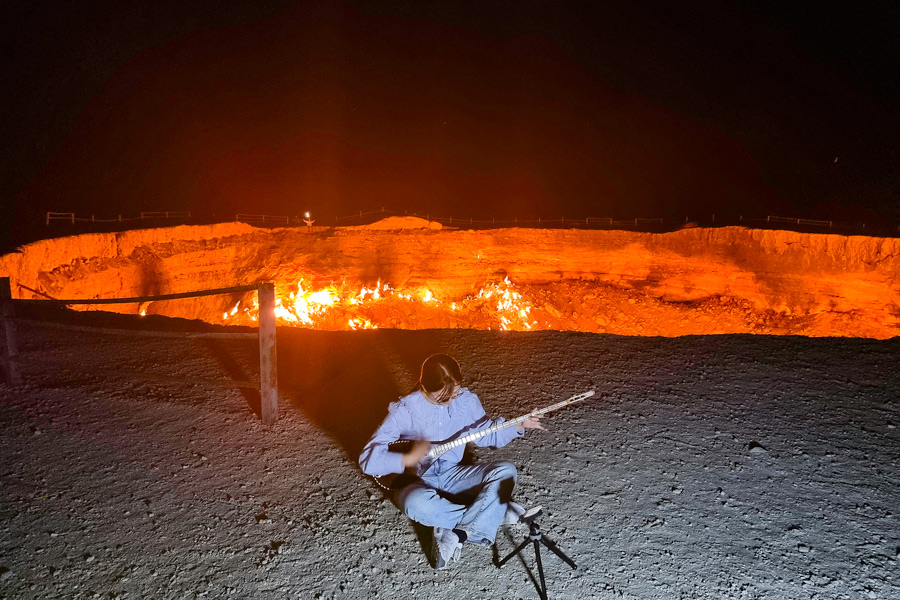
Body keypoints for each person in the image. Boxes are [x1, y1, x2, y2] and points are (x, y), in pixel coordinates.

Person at [359, 354, 545, 569]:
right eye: (442, 397)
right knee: (415, 503)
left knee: (506, 471)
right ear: (424, 386)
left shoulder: (465, 402)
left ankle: (456, 533)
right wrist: (408, 457)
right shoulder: (405, 411)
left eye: (454, 393)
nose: (450, 401)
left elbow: (487, 434)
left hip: (451, 473)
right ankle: (494, 512)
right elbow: (368, 460)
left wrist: (519, 425)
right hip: (416, 480)